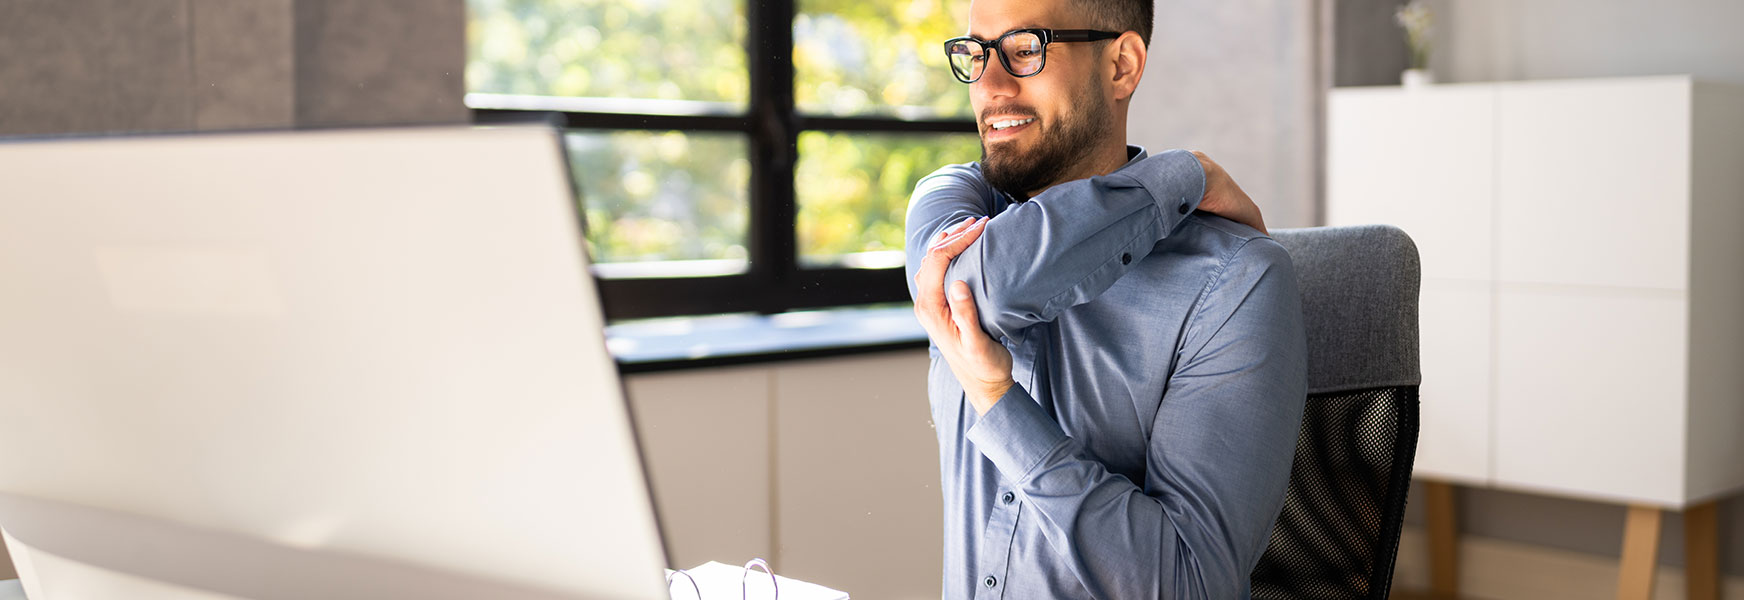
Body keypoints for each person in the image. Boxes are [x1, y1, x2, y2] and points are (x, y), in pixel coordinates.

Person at [902, 0, 1309, 597]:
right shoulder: (954, 202)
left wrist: (999, 402)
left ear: (1122, 65)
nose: (989, 84)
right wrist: (1182, 174)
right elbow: (986, 287)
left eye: (1023, 48)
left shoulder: (1236, 282)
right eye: (976, 52)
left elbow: (1191, 585)